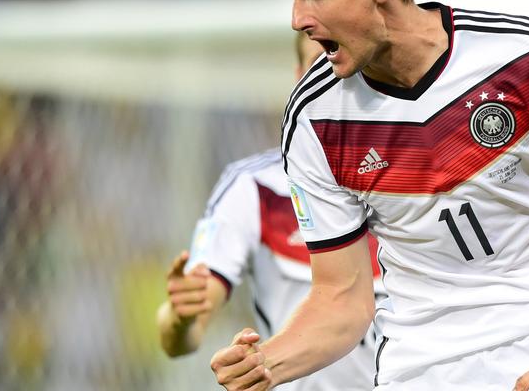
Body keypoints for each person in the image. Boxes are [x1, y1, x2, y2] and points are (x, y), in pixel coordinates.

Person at [209, 0, 529, 390]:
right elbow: (342, 297)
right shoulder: (314, 119)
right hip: (422, 367)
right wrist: (265, 363)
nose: (298, 18)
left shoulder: (524, 56)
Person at [157, 31, 385, 390]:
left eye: (356, 68)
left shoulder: (430, 175)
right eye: (319, 66)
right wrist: (181, 318)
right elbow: (182, 336)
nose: (339, 82)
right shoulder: (256, 188)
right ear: (299, 78)